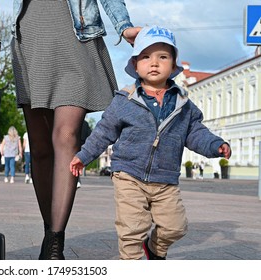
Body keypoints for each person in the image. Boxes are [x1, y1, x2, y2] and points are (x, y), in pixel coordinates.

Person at [0, 0, 141, 260]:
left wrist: (124, 26)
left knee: (65, 135)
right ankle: (50, 232)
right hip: (32, 38)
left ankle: (56, 244)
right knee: (40, 148)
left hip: (77, 39)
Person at [70, 25, 232, 260]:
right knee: (132, 229)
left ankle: (155, 248)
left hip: (165, 179)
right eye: (146, 57)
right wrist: (84, 156)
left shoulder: (183, 105)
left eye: (162, 57)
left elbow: (196, 132)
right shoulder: (124, 101)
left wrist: (215, 145)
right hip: (128, 175)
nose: (154, 63)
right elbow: (103, 132)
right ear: (135, 65)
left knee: (175, 227)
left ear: (174, 65)